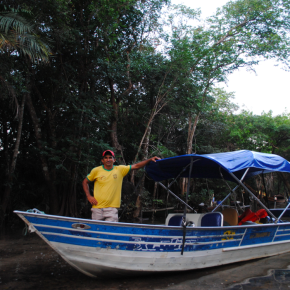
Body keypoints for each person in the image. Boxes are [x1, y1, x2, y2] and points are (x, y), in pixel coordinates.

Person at [82, 150, 160, 222]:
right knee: (96, 231)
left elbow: (136, 166)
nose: (108, 159)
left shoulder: (119, 169)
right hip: (97, 208)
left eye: (110, 157)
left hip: (111, 209)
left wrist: (149, 160)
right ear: (102, 160)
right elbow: (85, 182)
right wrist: (88, 196)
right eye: (105, 158)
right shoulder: (96, 170)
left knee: (111, 232)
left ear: (114, 160)